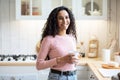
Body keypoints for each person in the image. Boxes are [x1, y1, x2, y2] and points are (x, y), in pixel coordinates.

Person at [36, 6, 79, 80]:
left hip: (73, 76)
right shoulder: (48, 39)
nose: (65, 21)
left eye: (66, 17)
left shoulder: (72, 38)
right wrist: (61, 59)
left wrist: (76, 60)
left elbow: (72, 61)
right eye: (60, 18)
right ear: (54, 21)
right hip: (57, 77)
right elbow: (39, 65)